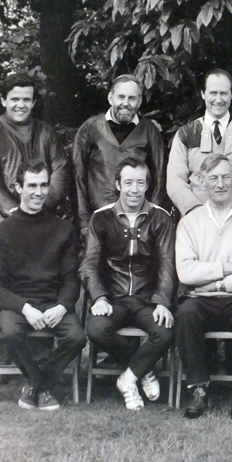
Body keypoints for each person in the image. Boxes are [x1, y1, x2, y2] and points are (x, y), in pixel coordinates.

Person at [0, 159, 86, 410]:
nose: (39, 192)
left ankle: (36, 385)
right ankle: (42, 385)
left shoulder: (62, 230)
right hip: (18, 306)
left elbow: (71, 278)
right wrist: (25, 308)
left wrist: (62, 307)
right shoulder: (0, 234)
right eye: (31, 185)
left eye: (44, 185)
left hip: (53, 303)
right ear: (17, 187)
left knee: (76, 337)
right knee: (10, 332)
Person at [175, 154, 232, 419]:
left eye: (226, 177)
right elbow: (185, 272)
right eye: (214, 178)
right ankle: (198, 390)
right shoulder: (188, 223)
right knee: (186, 313)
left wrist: (216, 284)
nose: (220, 184)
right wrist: (231, 268)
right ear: (202, 181)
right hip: (201, 300)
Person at [80, 157, 176, 411]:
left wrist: (163, 301)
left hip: (148, 298)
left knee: (165, 331)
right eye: (128, 182)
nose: (134, 189)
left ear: (147, 186)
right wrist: (99, 297)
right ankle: (142, 371)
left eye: (140, 183)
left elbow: (168, 264)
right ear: (118, 184)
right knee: (97, 329)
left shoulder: (161, 218)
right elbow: (89, 264)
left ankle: (127, 379)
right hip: (114, 298)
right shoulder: (101, 218)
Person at [0, 73, 69, 277]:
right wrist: (16, 212)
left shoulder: (46, 132)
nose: (21, 105)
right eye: (15, 99)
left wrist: (41, 207)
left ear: (34, 102)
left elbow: (60, 170)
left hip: (40, 216)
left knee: (36, 277)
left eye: (26, 99)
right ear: (4, 100)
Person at [73, 74, 166, 235]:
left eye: (132, 98)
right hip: (97, 218)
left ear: (139, 101)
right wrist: (83, 221)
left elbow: (160, 175)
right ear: (111, 98)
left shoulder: (149, 130)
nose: (125, 103)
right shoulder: (91, 128)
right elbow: (77, 175)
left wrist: (151, 218)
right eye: (121, 97)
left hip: (137, 221)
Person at [167, 68, 232, 215]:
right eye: (213, 93)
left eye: (224, 93)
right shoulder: (187, 133)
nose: (218, 100)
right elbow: (175, 179)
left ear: (231, 95)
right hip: (196, 220)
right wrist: (194, 210)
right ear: (203, 94)